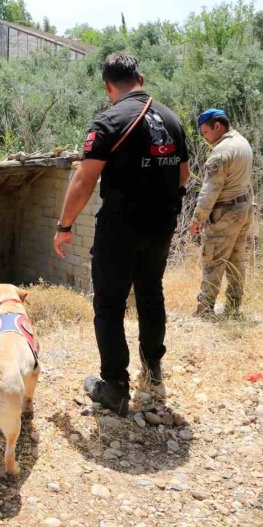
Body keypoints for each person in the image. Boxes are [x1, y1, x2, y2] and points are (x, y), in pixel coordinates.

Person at [53, 52, 189, 416]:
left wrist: (64, 226)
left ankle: (114, 386)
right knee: (150, 294)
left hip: (120, 230)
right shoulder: (173, 121)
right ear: (140, 79)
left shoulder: (109, 121)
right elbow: (184, 176)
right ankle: (153, 371)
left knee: (110, 305)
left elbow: (84, 179)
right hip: (161, 228)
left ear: (108, 86)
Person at [189, 109, 254, 318]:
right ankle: (233, 307)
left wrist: (197, 218)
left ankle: (204, 308)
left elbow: (210, 191)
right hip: (243, 208)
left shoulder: (221, 152)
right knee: (236, 260)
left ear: (218, 127)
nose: (204, 137)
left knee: (213, 259)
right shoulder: (242, 142)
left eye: (205, 131)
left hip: (225, 212)